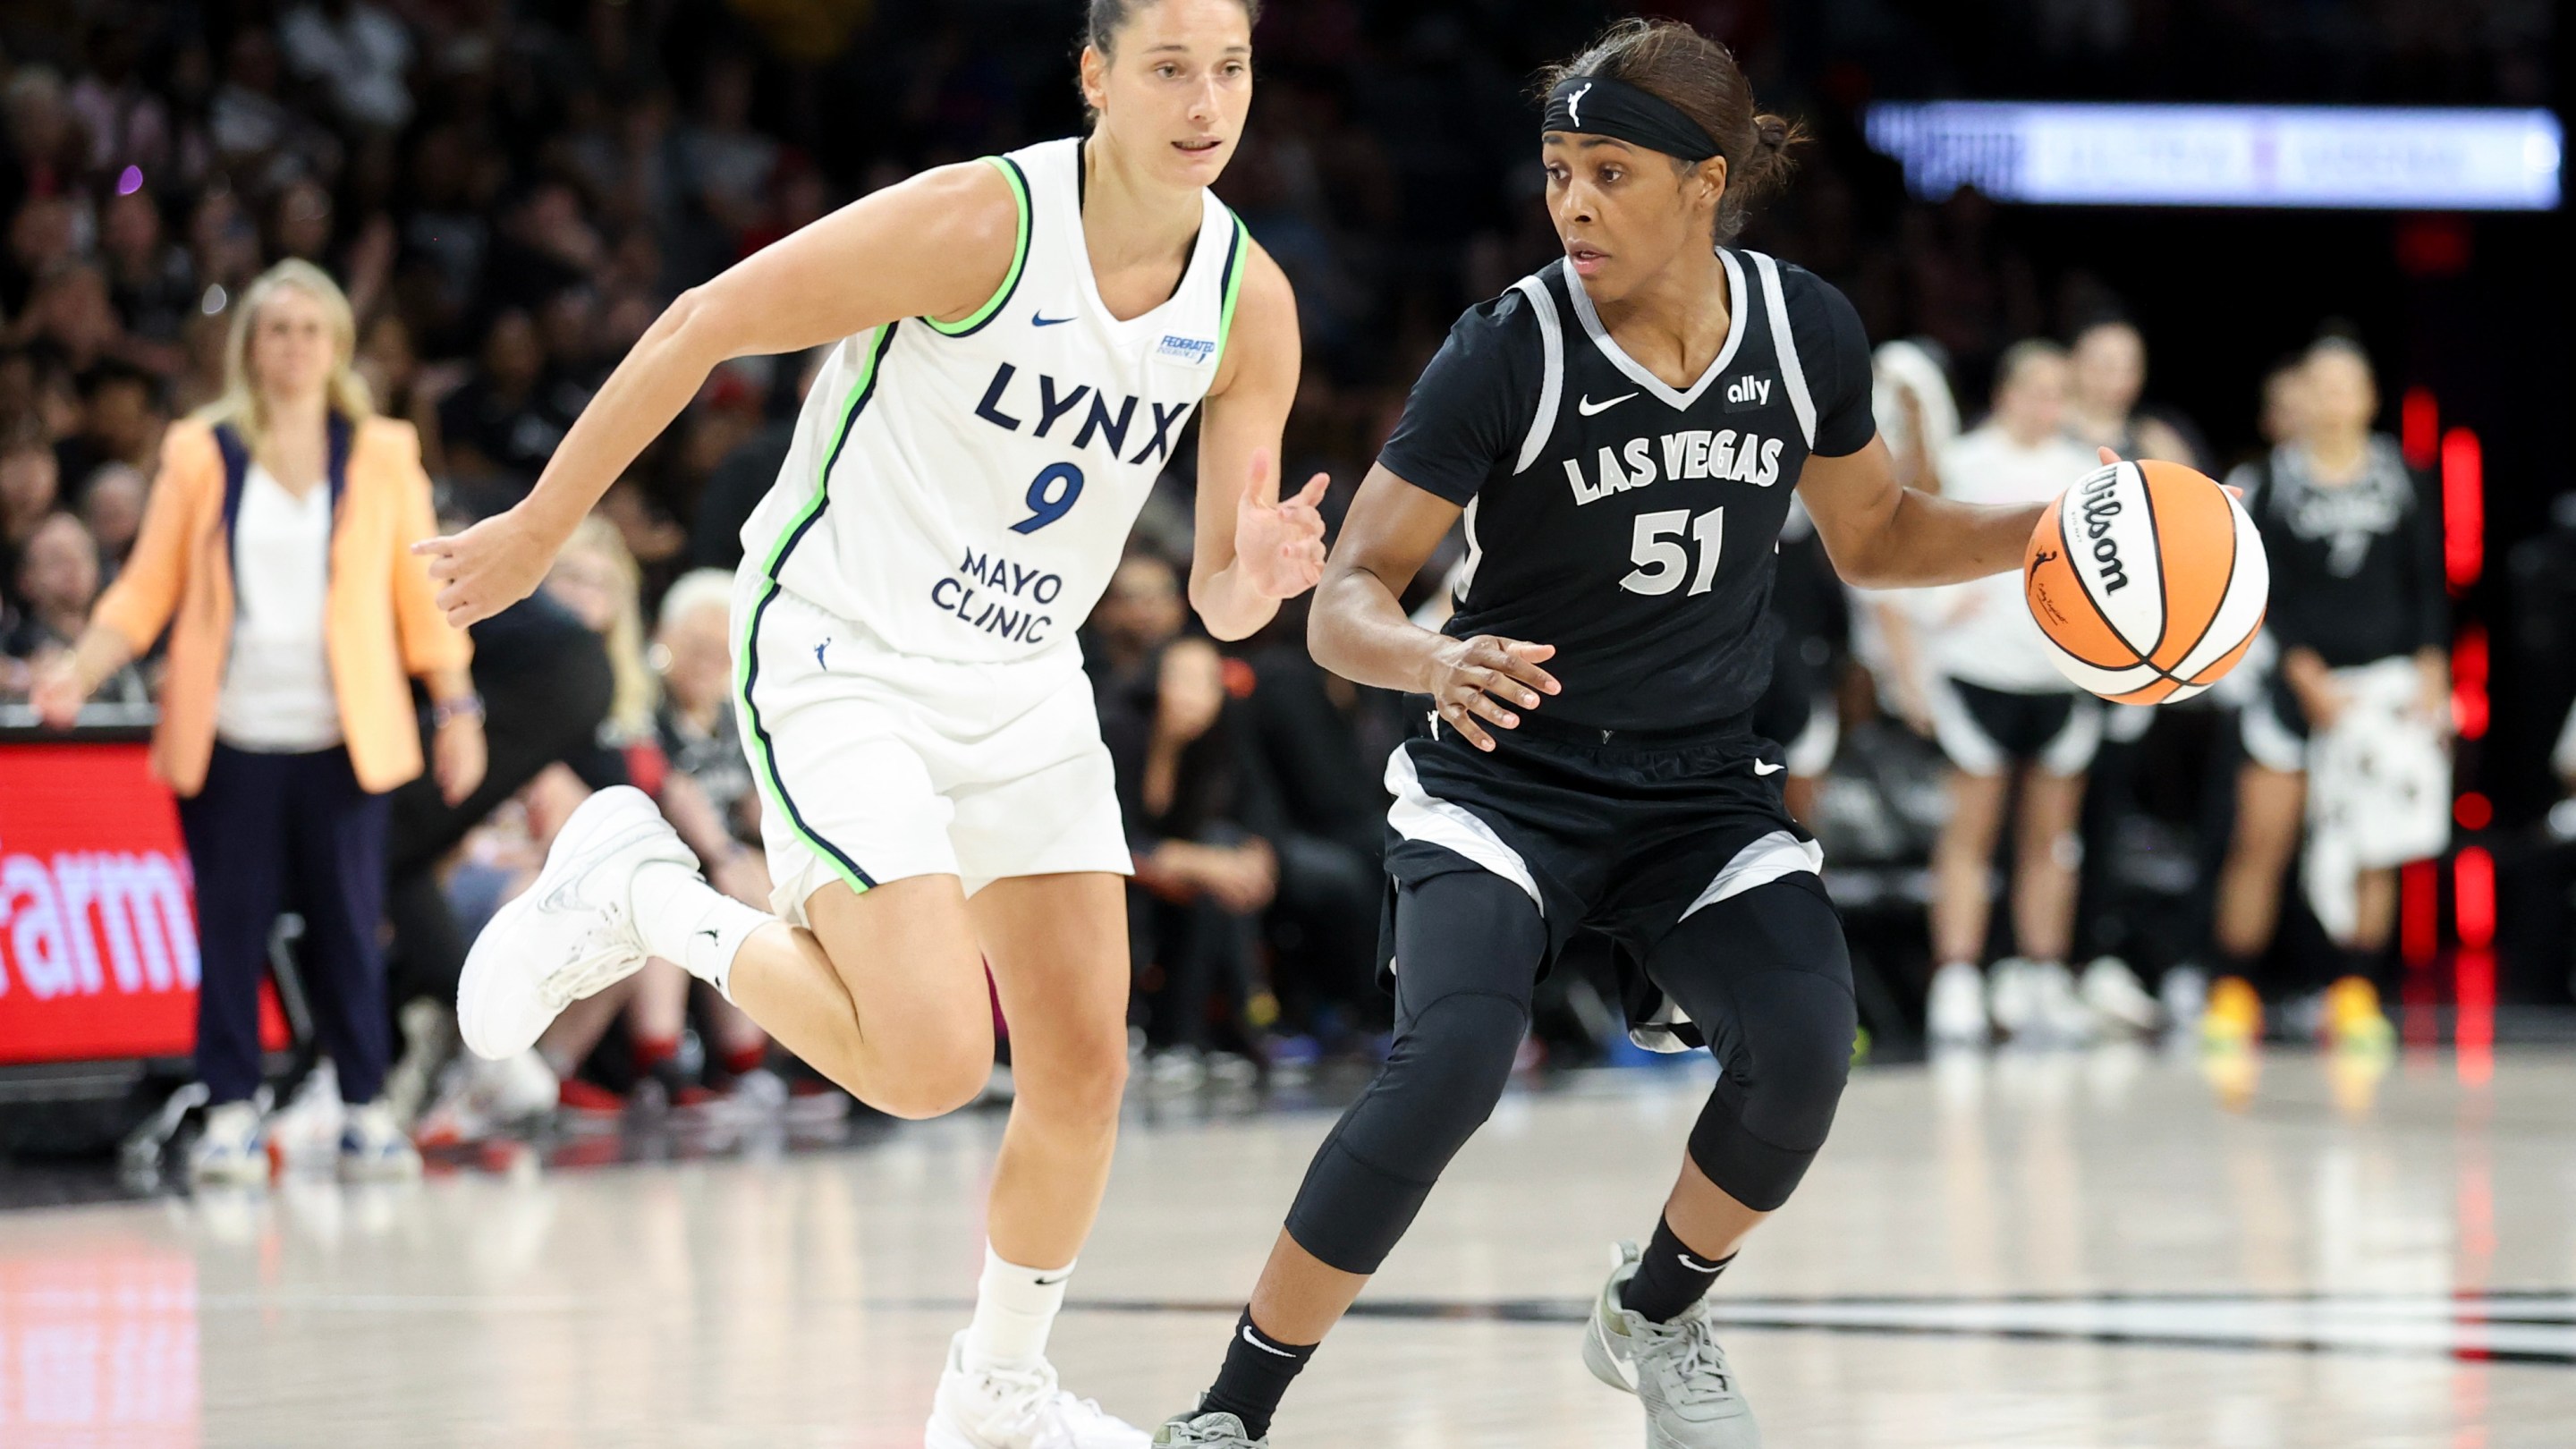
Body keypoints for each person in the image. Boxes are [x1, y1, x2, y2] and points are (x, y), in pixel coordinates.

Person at [1148, 21, 2075, 1448]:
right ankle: (1228, 1414)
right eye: (1557, 171)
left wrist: (2051, 532)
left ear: (1707, 182)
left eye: (1610, 173)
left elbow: (1878, 534)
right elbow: (1345, 601)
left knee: (1810, 1045)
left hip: (1699, 789)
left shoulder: (1804, 328)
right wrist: (1429, 657)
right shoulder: (1507, 346)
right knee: (1453, 1061)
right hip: (1503, 784)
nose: (1571, 204)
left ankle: (1652, 1315)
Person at [416, 3, 1320, 1445]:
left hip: (1023, 679)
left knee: (1085, 1067)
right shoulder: (985, 222)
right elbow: (706, 318)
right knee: (929, 1066)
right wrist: (539, 528)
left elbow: (1216, 591)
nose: (1207, 100)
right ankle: (647, 893)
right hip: (847, 650)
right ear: (1095, 78)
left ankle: (997, 1395)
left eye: (1232, 67)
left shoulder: (1248, 301)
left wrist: (1251, 578)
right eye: (1168, 67)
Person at [31, 258, 485, 1184]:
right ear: (250, 346)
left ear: (338, 344)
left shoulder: (382, 449)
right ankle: (233, 1110)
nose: (293, 346)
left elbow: (416, 593)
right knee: (230, 929)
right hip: (232, 728)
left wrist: (457, 707)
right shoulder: (202, 450)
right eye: (275, 329)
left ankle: (365, 1105)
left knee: (350, 928)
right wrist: (80, 669)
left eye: (310, 328)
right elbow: (149, 584)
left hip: (342, 732)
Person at [2208, 337, 2444, 1050]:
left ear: (2370, 398)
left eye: (2348, 386)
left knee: (2377, 844)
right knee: (2263, 837)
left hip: (2380, 691)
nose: (2334, 400)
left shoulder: (2402, 476)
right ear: (2296, 398)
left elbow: (2429, 578)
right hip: (2293, 688)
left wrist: (2433, 661)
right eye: (2320, 385)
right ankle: (2232, 988)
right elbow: (2249, 585)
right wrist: (2301, 667)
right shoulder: (2268, 482)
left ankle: (2355, 989)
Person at [1907, 342, 2129, 1046]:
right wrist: (1929, 636)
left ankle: (2041, 972)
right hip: (1978, 674)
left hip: (2057, 680)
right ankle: (1959, 976)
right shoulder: (1966, 462)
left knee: (2051, 840)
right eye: (2034, 388)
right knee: (1970, 834)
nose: (2046, 404)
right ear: (2005, 392)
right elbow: (1907, 550)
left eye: (2058, 391)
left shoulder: (2082, 471)